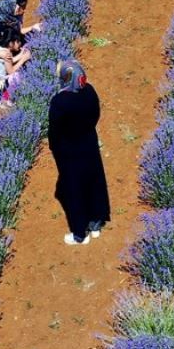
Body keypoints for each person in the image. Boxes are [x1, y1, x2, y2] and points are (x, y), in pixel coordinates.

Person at [48, 58, 110, 246]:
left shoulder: (60, 101)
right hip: (89, 144)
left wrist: (55, 147)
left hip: (70, 151)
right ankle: (96, 223)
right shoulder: (89, 91)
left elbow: (55, 130)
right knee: (94, 182)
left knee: (74, 190)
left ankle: (79, 234)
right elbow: (96, 114)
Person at [0, 26, 29, 108]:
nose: (20, 43)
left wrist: (22, 54)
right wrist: (23, 59)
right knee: (16, 77)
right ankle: (4, 101)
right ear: (11, 43)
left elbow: (10, 61)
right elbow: (11, 71)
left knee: (14, 77)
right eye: (17, 41)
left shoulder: (2, 49)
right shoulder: (7, 53)